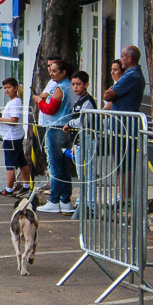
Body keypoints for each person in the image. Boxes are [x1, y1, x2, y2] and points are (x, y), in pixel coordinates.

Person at [33, 59, 75, 214]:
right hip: (67, 128)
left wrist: (39, 101)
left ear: (63, 72)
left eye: (55, 71)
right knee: (63, 166)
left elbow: (50, 109)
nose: (51, 73)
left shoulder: (60, 88)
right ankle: (65, 200)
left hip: (56, 127)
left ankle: (54, 199)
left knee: (55, 166)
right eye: (51, 70)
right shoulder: (71, 86)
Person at [63, 71, 98, 213]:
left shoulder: (88, 101)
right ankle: (82, 201)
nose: (75, 87)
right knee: (81, 173)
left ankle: (90, 204)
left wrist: (70, 123)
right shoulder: (78, 101)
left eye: (78, 84)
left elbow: (84, 121)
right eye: (73, 84)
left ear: (86, 85)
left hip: (88, 139)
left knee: (88, 173)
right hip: (78, 140)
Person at [0, 77, 30, 197]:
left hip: (12, 137)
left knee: (10, 164)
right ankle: (27, 185)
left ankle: (9, 188)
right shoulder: (13, 101)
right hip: (13, 136)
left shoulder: (15, 102)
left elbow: (14, 121)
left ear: (16, 88)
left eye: (9, 88)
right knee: (21, 161)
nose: (6, 90)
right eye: (5, 88)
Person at [103, 46, 145, 113]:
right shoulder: (133, 74)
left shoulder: (131, 76)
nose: (120, 60)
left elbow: (107, 96)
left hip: (123, 121)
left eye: (122, 57)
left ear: (129, 58)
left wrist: (110, 91)